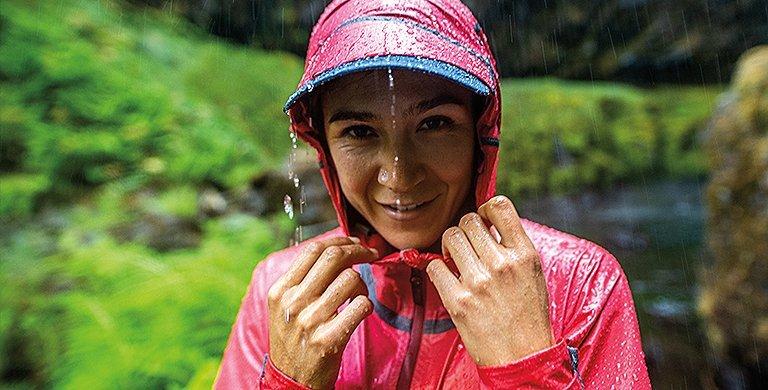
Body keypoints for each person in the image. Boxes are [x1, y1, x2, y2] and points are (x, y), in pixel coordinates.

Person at [215, 0, 651, 388]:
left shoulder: (580, 283)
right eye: (359, 132)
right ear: (322, 145)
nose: (399, 177)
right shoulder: (282, 293)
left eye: (434, 124)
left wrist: (527, 371)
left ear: (481, 134)